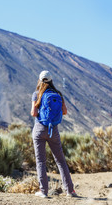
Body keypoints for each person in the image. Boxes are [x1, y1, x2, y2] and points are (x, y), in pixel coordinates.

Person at [30, 70, 77, 198]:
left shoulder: (36, 94)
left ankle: (43, 191)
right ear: (51, 80)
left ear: (40, 80)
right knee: (60, 160)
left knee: (40, 161)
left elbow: (34, 113)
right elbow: (65, 111)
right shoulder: (58, 94)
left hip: (39, 130)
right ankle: (70, 191)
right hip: (53, 131)